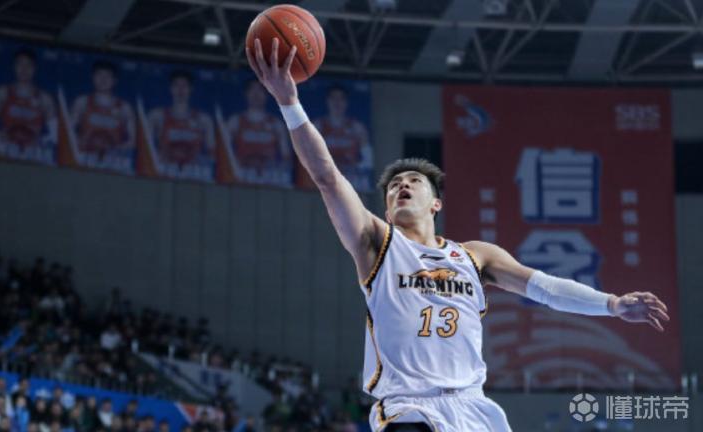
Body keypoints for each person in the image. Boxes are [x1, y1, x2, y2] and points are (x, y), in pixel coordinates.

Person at [246, 38, 671, 432]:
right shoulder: (377, 243)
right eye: (394, 186)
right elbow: (326, 177)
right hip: (408, 407)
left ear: (436, 203)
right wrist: (289, 103)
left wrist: (612, 304)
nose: (402, 186)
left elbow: (545, 288)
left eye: (413, 181)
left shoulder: (475, 256)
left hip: (473, 408)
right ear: (387, 208)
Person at [0, 49, 57, 152]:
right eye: (20, 64)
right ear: (14, 67)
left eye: (28, 65)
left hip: (33, 152)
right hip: (5, 148)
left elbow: (55, 135)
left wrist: (41, 142)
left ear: (34, 69)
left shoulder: (45, 99)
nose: (24, 69)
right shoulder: (1, 93)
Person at [226, 80, 290, 185]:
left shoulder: (277, 124)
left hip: (269, 178)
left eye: (260, 90)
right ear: (246, 94)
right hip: (242, 176)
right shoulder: (235, 121)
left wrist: (277, 174)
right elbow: (226, 153)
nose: (256, 94)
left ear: (267, 94)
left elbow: (286, 158)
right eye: (252, 89)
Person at [147, 70, 215, 168]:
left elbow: (212, 153)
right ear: (171, 88)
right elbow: (146, 148)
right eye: (176, 85)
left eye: (184, 86)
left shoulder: (204, 120)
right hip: (163, 170)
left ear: (191, 89)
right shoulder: (156, 116)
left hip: (193, 171)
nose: (180, 90)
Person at [70, 60, 135, 158]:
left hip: (113, 160)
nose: (103, 79)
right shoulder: (82, 102)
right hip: (83, 157)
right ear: (93, 77)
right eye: (99, 75)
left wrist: (116, 151)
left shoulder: (125, 108)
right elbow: (68, 131)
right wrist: (80, 145)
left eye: (107, 76)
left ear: (115, 80)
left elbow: (134, 141)